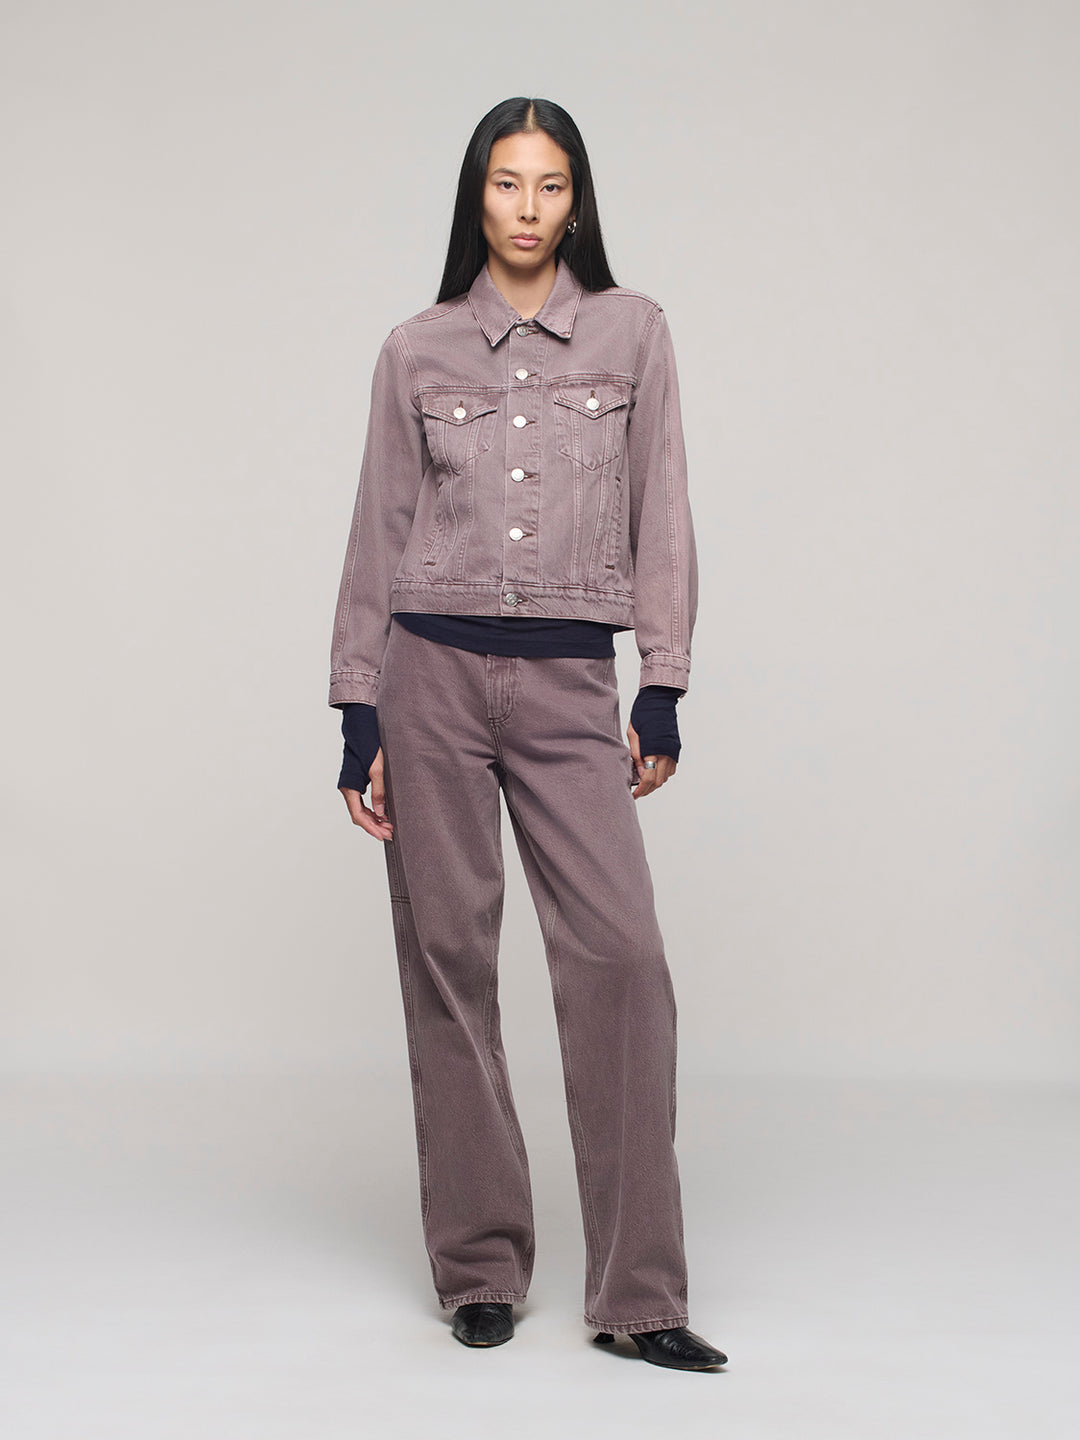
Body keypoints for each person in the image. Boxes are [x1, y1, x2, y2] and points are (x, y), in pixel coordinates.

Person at [328, 96, 727, 1373]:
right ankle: (480, 1269)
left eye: (550, 186)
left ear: (576, 201)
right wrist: (358, 707)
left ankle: (640, 1295)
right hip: (429, 681)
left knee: (621, 960)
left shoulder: (633, 331)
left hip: (567, 686)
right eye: (507, 183)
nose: (528, 208)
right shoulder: (415, 349)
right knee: (448, 963)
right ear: (477, 196)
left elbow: (662, 511)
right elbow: (378, 529)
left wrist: (661, 682)